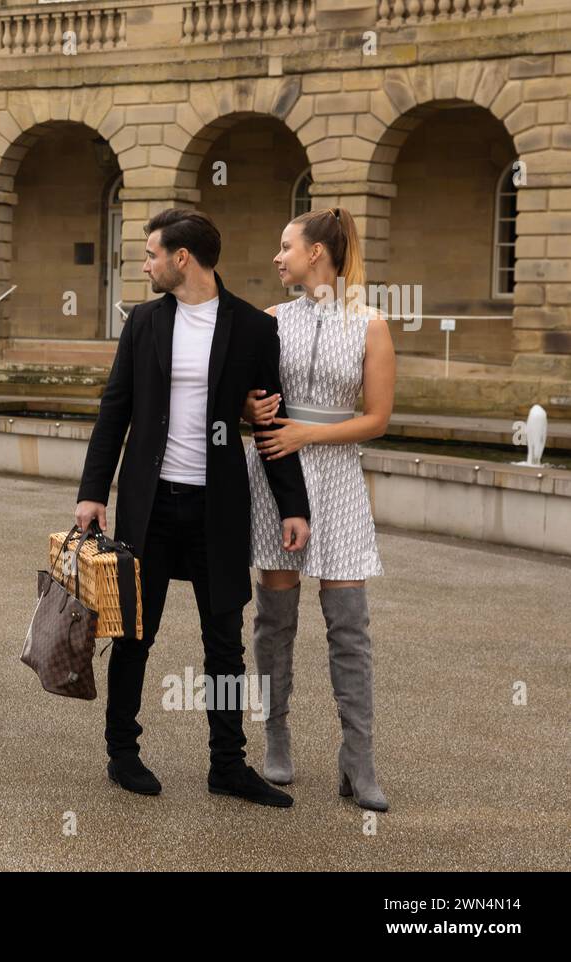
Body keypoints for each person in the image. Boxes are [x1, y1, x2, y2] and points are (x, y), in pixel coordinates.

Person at [75, 208, 311, 808]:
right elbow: (115, 410)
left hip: (218, 508)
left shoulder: (255, 329)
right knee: (134, 633)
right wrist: (91, 492)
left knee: (223, 642)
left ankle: (227, 764)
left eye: (152, 253)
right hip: (149, 506)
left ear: (183, 258)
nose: (145, 264)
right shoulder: (145, 323)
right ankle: (122, 752)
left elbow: (269, 419)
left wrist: (293, 505)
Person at [244, 207, 395, 812]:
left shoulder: (371, 324)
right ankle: (276, 734)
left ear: (317, 254)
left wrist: (307, 434)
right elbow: (247, 400)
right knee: (275, 620)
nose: (277, 258)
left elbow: (377, 419)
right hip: (276, 476)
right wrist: (253, 415)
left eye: (286, 247)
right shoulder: (270, 320)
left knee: (349, 625)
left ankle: (358, 758)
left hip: (336, 477)